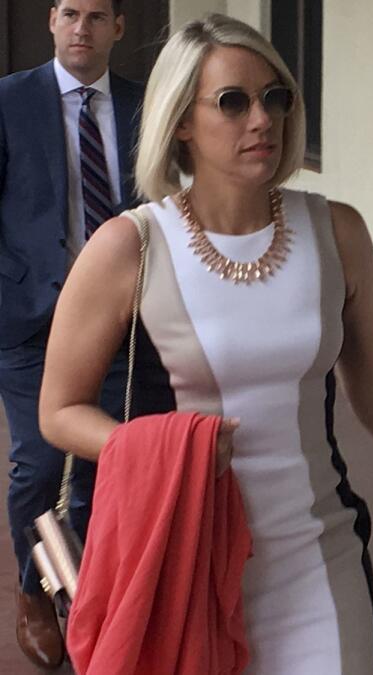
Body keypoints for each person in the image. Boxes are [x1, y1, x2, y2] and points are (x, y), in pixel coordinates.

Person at [38, 14, 373, 674]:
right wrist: (163, 446)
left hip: (318, 558)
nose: (262, 119)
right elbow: (58, 409)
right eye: (232, 102)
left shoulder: (337, 233)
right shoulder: (131, 246)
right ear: (181, 119)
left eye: (276, 97)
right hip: (187, 562)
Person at [0, 0, 173, 668]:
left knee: (113, 461)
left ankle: (89, 590)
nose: (83, 27)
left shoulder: (145, 104)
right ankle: (34, 591)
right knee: (38, 465)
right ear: (51, 21)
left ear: (118, 28)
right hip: (32, 316)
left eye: (98, 16)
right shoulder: (10, 101)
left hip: (125, 316)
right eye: (71, 12)